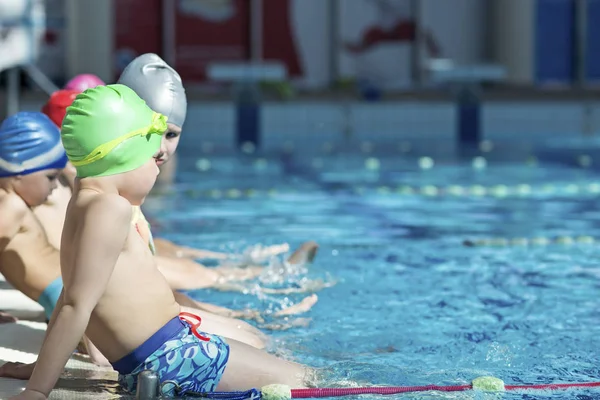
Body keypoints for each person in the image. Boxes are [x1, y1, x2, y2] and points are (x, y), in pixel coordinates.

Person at [4, 85, 314, 398]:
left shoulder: (83, 203)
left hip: (159, 359)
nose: (158, 165)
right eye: (154, 159)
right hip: (175, 358)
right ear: (125, 153)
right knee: (311, 380)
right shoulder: (110, 208)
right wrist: (38, 391)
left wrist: (41, 371)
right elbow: (76, 305)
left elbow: (70, 295)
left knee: (269, 354)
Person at [0, 111, 268, 358]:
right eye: (50, 177)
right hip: (70, 292)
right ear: (18, 172)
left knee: (179, 307)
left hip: (71, 289)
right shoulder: (10, 204)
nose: (53, 187)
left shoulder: (13, 203)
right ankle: (255, 321)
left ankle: (250, 320)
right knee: (178, 321)